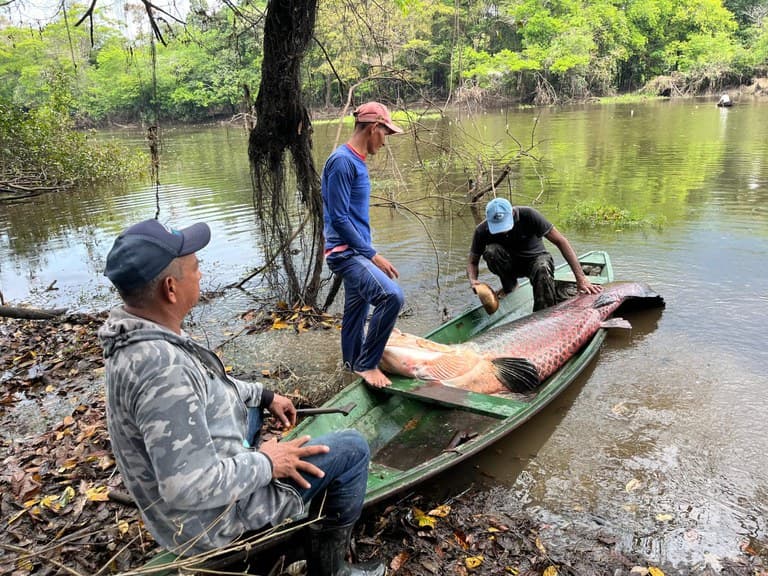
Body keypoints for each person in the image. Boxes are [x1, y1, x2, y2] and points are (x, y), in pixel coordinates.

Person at [99, 218, 384, 576]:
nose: (200, 274)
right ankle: (331, 569)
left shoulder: (137, 335)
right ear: (171, 288)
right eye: (195, 268)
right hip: (212, 524)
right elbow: (186, 487)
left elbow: (211, 385)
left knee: (248, 411)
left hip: (200, 496)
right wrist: (267, 461)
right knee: (353, 448)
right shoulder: (163, 370)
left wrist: (264, 395)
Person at [321, 101, 405, 388]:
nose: (385, 142)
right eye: (385, 133)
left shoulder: (355, 160)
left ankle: (350, 367)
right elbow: (339, 218)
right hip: (345, 253)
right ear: (373, 128)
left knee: (356, 313)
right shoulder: (342, 162)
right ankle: (367, 365)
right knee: (391, 296)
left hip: (355, 251)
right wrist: (373, 255)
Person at [467, 198, 602, 311]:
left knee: (541, 267)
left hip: (535, 261)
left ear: (512, 214)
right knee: (491, 252)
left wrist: (581, 278)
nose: (501, 232)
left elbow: (561, 241)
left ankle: (543, 314)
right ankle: (510, 287)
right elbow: (472, 262)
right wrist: (473, 281)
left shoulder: (529, 215)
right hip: (511, 265)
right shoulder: (482, 230)